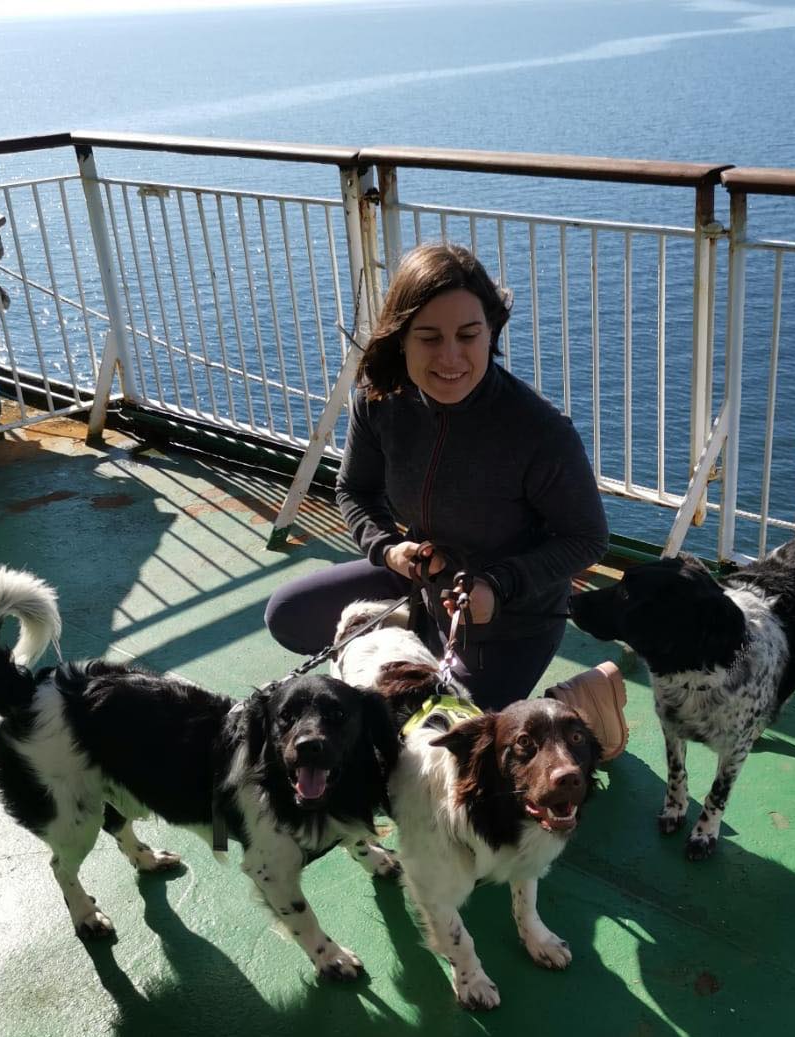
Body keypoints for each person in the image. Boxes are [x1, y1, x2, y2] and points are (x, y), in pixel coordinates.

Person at [264, 242, 627, 758]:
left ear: (491, 333)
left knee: (448, 746)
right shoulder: (379, 400)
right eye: (429, 337)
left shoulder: (539, 431)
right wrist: (388, 550)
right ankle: (420, 643)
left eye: (468, 335)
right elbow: (355, 490)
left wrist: (499, 586)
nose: (450, 357)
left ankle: (581, 700)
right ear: (401, 340)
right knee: (289, 614)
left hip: (508, 618)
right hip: (416, 581)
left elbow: (588, 537)